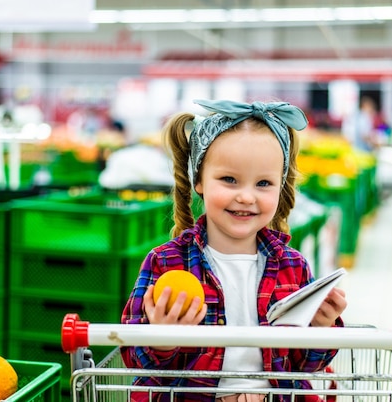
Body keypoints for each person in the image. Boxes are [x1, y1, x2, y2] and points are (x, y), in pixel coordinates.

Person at [120, 99, 348, 402]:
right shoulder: (167, 262)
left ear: (280, 187)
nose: (245, 196)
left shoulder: (293, 267)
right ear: (199, 179)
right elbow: (134, 358)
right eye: (229, 179)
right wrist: (160, 338)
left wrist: (321, 329)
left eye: (263, 183)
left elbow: (306, 366)